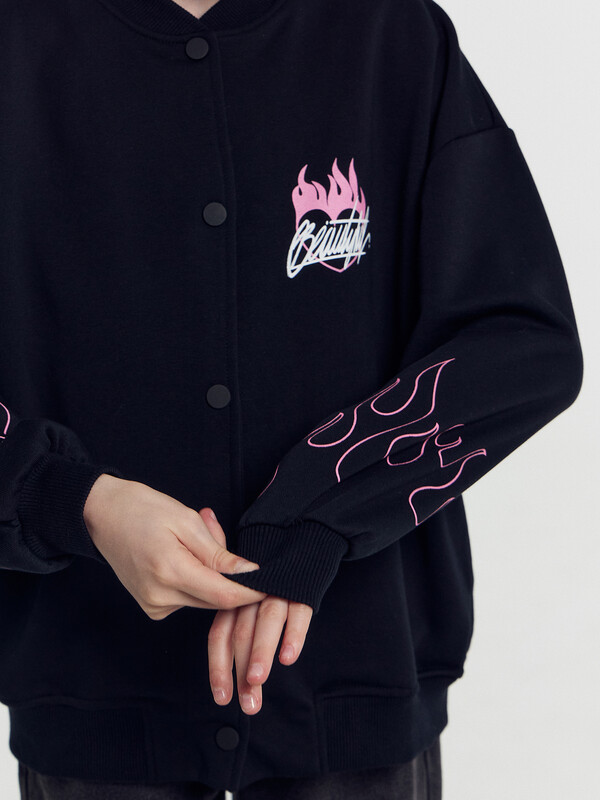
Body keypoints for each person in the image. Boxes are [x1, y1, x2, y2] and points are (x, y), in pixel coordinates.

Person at [0, 0, 583, 798]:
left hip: (352, 696)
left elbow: (521, 338)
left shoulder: (392, 36)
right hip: (91, 701)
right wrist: (78, 503)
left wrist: (317, 514)